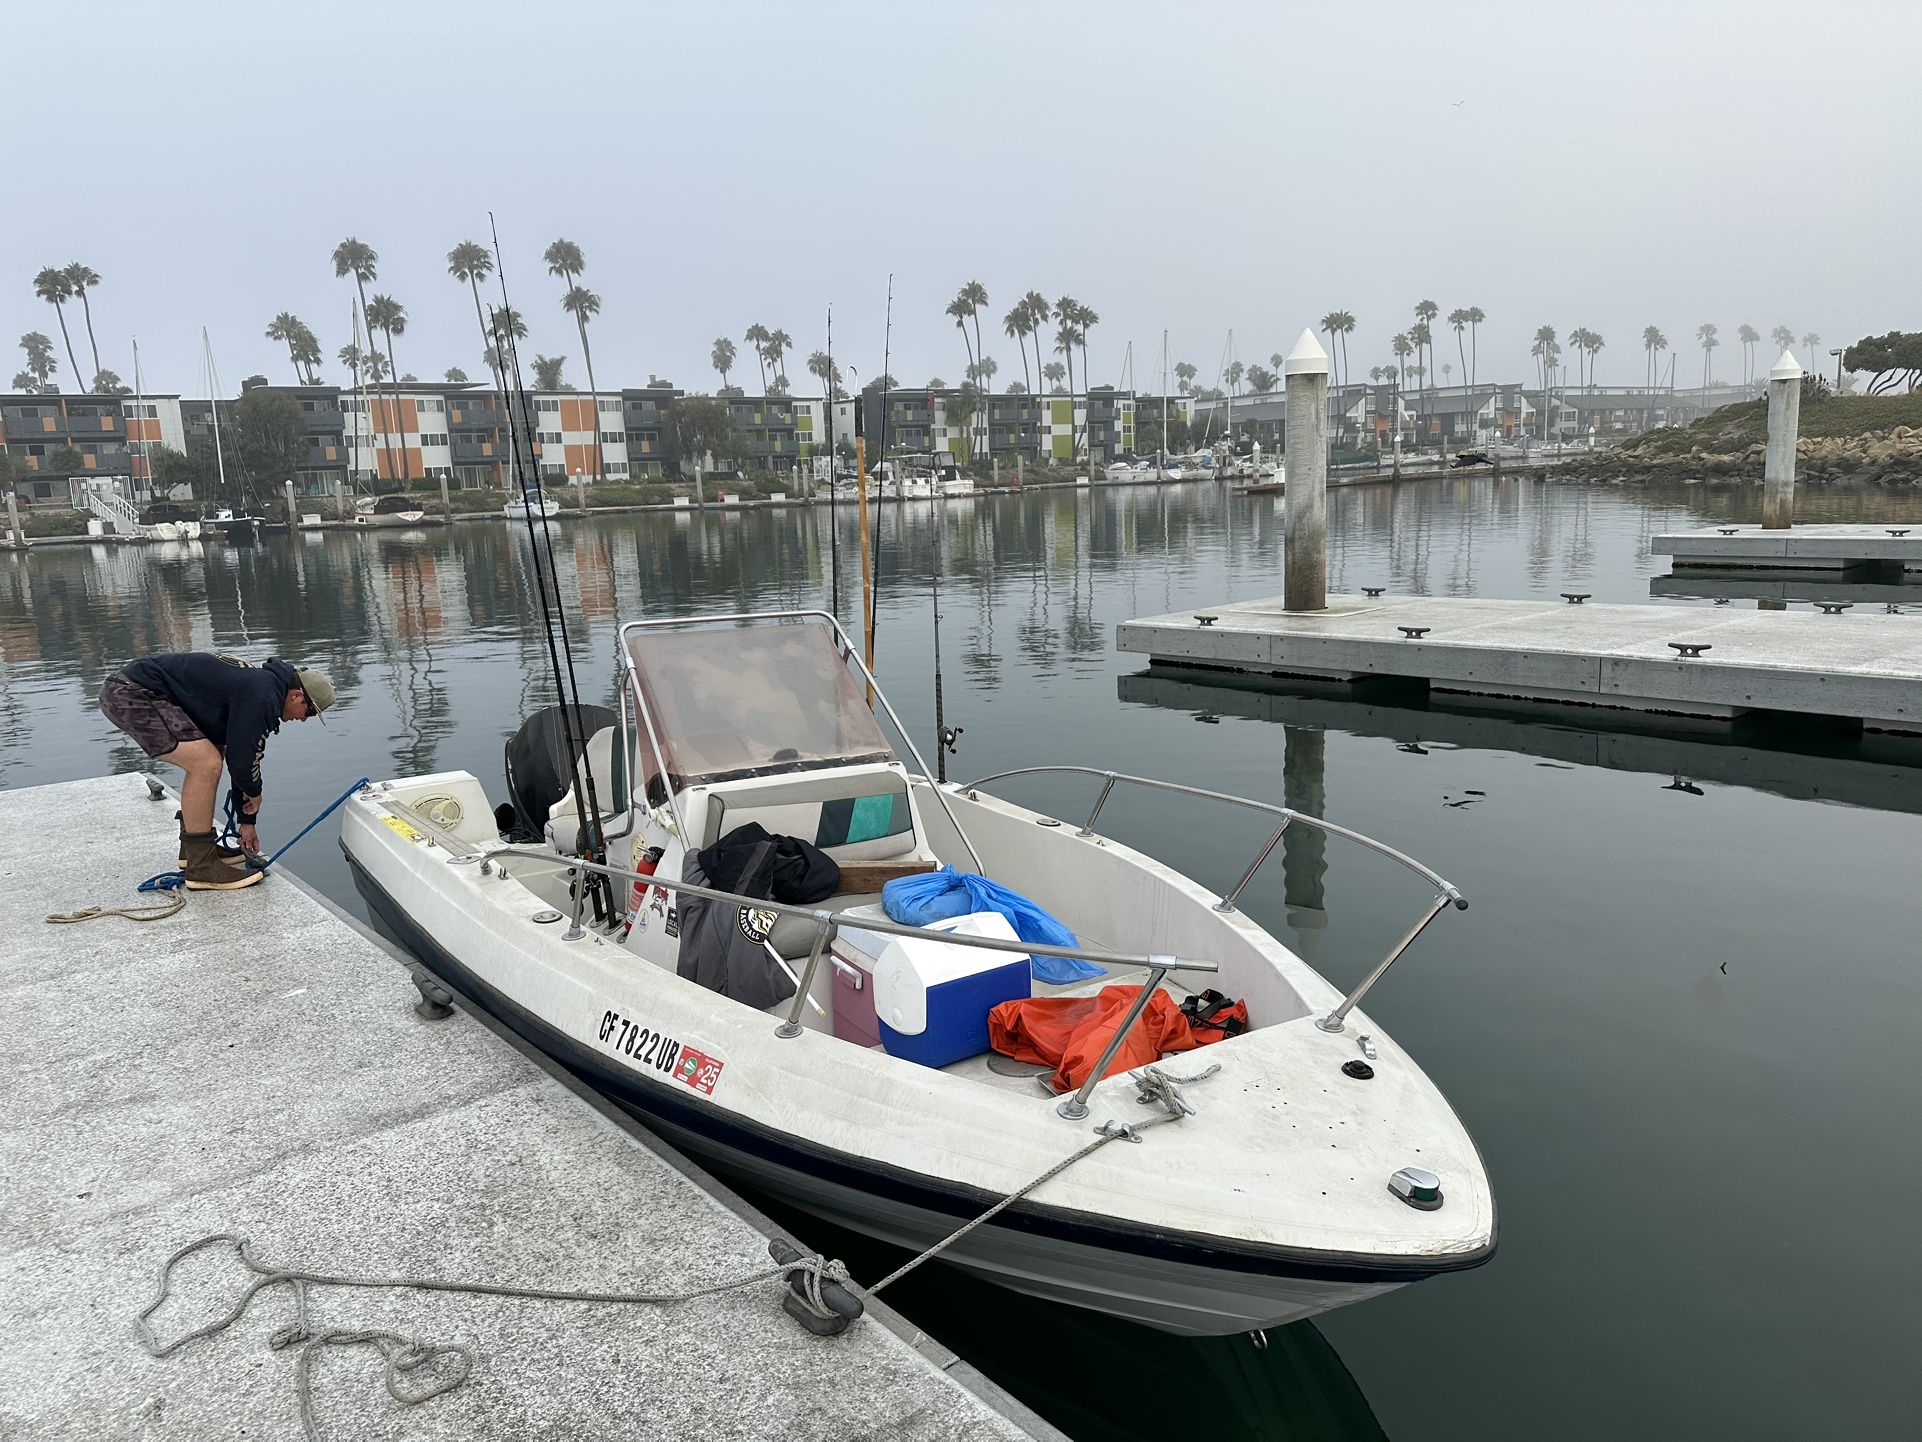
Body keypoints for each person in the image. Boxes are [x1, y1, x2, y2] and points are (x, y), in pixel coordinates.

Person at [97, 653, 335, 890]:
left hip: (135, 689)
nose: (304, 720)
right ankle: (202, 867)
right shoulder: (262, 695)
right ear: (296, 696)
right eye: (310, 713)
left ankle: (195, 850)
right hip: (132, 694)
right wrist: (255, 792)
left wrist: (247, 821)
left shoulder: (262, 686)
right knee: (205, 763)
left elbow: (242, 753)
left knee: (212, 753)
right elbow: (242, 761)